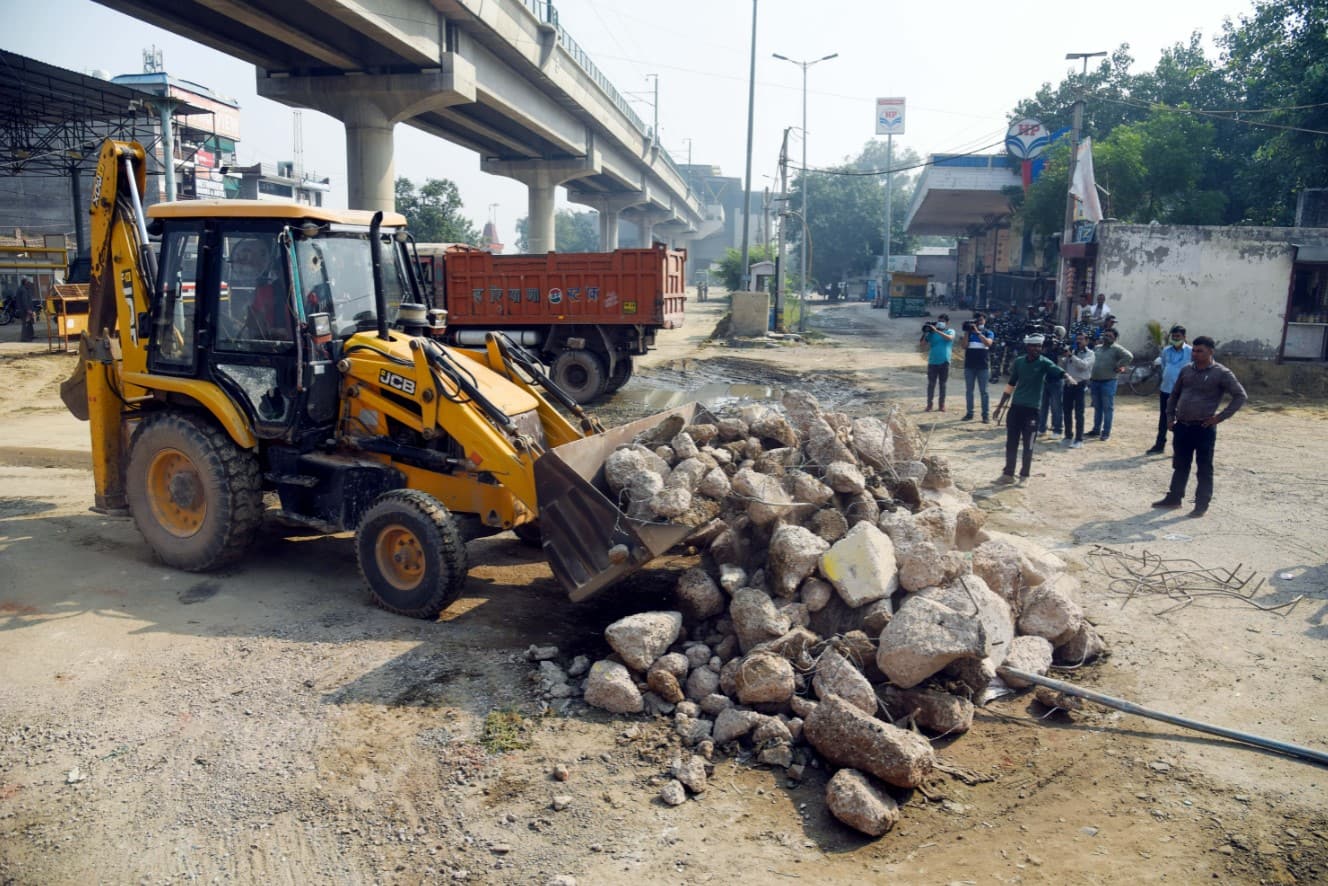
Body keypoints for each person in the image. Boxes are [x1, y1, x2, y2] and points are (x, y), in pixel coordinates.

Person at [1152, 336, 1247, 517]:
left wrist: (1219, 418)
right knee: (1180, 464)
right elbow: (1174, 395)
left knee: (1204, 467)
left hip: (1203, 428)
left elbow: (1240, 396)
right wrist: (1170, 417)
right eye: (1194, 350)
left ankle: (1201, 504)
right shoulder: (1187, 370)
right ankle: (1174, 498)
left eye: (1199, 351)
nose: (1195, 354)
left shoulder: (1222, 373)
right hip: (1182, 426)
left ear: (1211, 351)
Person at [992, 333, 1077, 484]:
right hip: (1016, 408)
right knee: (1011, 443)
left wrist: (1068, 377)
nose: (1037, 348)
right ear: (1028, 346)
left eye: (1039, 346)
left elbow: (1058, 371)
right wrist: (1000, 406)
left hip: (1032, 411)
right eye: (1034, 345)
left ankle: (1024, 475)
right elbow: (1011, 384)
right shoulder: (1019, 362)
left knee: (1028, 444)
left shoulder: (1044, 363)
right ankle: (1008, 474)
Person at [1147, 324, 1192, 455]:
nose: (1175, 338)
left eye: (1178, 336)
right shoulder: (1166, 351)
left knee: (1182, 419)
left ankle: (1179, 448)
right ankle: (1159, 444)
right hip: (1166, 389)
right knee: (1164, 418)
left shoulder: (1190, 352)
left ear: (1184, 337)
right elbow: (1164, 366)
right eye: (1173, 336)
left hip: (1183, 391)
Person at [1086, 328, 1131, 442]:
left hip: (1108, 381)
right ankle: (1096, 429)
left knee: (1107, 408)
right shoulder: (1097, 348)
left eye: (1110, 336)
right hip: (1095, 381)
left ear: (1115, 338)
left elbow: (1129, 356)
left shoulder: (1116, 349)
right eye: (1105, 335)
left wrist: (1119, 366)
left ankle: (1105, 432)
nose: (1106, 337)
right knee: (1097, 407)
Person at [1061, 331, 1094, 448]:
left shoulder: (1090, 354)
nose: (1078, 341)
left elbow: (1084, 365)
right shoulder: (1072, 352)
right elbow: (1063, 367)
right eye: (1077, 339)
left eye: (1081, 339)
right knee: (1066, 411)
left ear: (1086, 341)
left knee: (1079, 413)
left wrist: (1071, 356)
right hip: (1068, 384)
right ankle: (1068, 436)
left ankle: (1079, 439)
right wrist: (1063, 356)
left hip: (1080, 385)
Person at [961, 312, 994, 422]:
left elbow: (988, 343)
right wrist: (967, 332)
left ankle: (985, 415)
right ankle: (969, 413)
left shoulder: (988, 332)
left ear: (985, 321)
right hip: (969, 366)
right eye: (977, 320)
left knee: (984, 392)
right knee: (969, 391)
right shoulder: (969, 334)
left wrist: (978, 332)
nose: (979, 322)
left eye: (981, 320)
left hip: (983, 366)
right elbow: (964, 346)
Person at [921, 313, 956, 412]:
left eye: (943, 321)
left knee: (943, 384)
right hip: (933, 361)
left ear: (947, 323)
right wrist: (926, 332)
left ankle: (941, 405)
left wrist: (937, 331)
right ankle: (929, 405)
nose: (941, 323)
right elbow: (922, 344)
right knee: (931, 384)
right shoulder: (932, 333)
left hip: (945, 361)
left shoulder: (950, 331)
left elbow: (949, 338)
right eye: (939, 321)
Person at [1037, 325, 1067, 436]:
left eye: (1058, 334)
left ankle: (1057, 429)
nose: (1055, 336)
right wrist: (1046, 347)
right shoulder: (1047, 345)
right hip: (1045, 379)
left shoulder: (1063, 345)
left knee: (1056, 406)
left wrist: (1057, 348)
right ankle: (1041, 427)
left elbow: (1063, 361)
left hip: (1057, 379)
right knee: (1043, 405)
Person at [16, 277, 37, 342]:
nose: (30, 284)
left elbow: (28, 300)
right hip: (25, 310)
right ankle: (24, 338)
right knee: (26, 323)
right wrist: (28, 309)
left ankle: (31, 335)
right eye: (28, 282)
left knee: (30, 322)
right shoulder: (23, 290)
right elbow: (24, 301)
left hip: (26, 309)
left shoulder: (25, 289)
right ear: (25, 283)